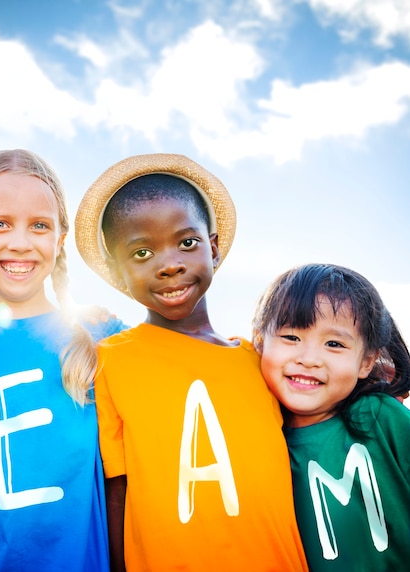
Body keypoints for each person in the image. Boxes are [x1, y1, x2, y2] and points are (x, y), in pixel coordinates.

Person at [74, 153, 308, 571]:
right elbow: (117, 490)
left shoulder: (260, 361)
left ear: (213, 249)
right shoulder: (112, 360)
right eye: (142, 252)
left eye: (187, 242)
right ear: (117, 271)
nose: (170, 265)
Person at [0, 149, 125, 571]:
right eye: (0, 224)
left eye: (39, 226)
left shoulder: (101, 341)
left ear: (59, 240)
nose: (20, 242)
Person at [253, 263, 410, 571]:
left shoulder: (381, 418)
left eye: (334, 344)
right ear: (260, 341)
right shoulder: (259, 439)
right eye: (290, 337)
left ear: (365, 362)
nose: (308, 359)